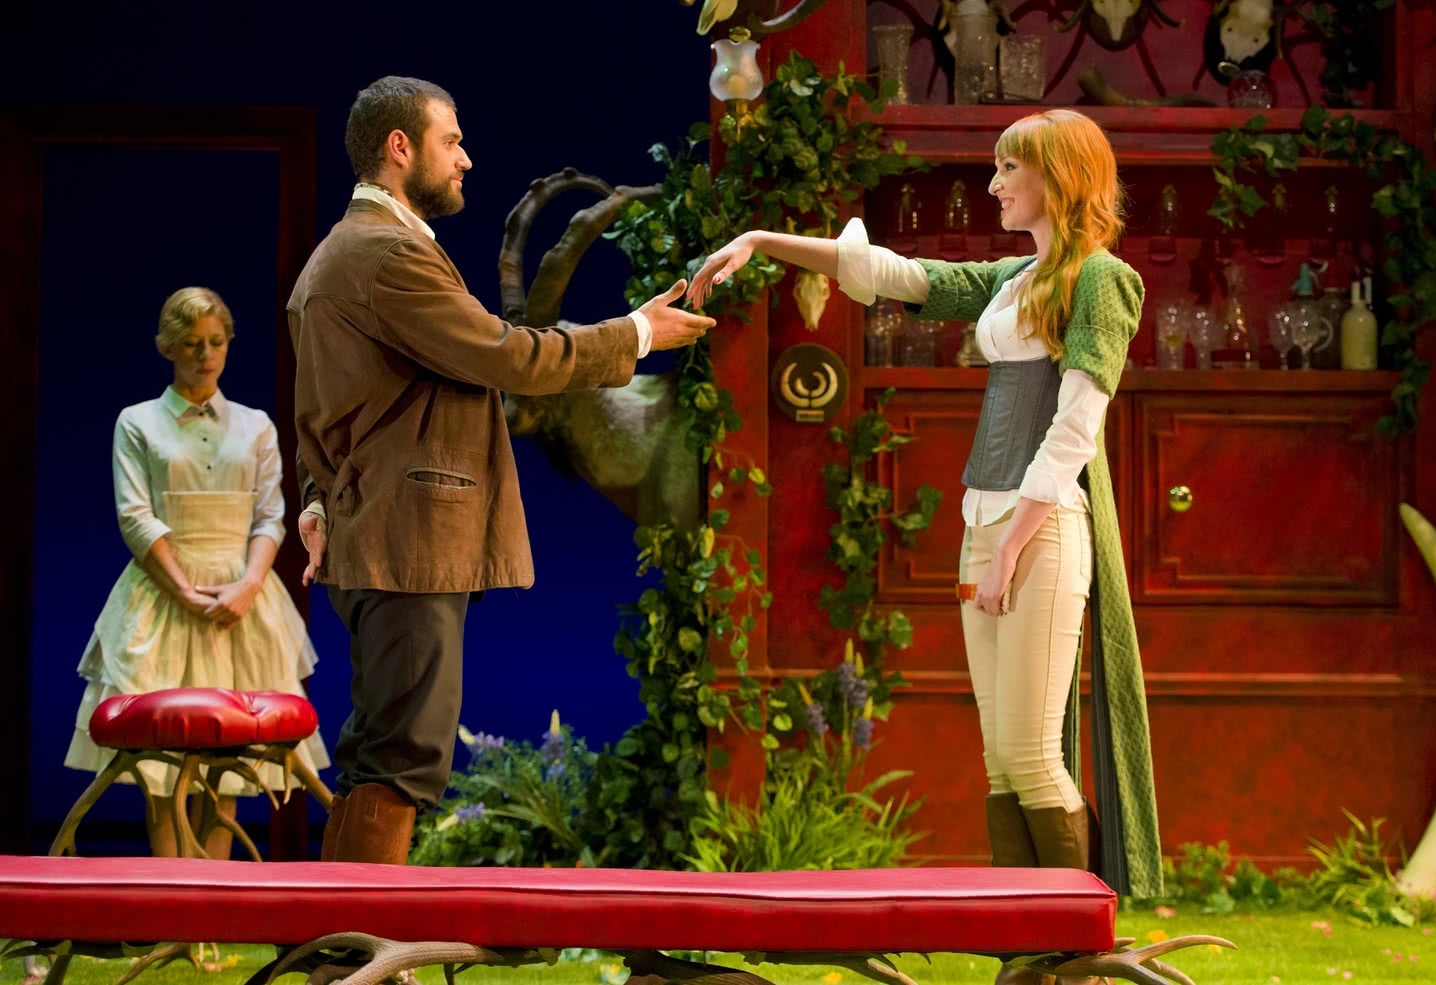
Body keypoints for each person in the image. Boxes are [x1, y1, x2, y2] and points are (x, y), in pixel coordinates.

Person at [688, 109, 1162, 899]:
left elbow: (1076, 427)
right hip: (985, 521)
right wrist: (763, 241)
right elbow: (899, 275)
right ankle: (1023, 940)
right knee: (1001, 757)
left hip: (1042, 528)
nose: (994, 183)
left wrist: (1012, 547)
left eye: (1010, 168)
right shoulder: (1014, 279)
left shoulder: (1101, 280)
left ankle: (1073, 933)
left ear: (1059, 177)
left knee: (1034, 753)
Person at [288, 76, 716, 865]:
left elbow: (327, 409)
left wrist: (317, 501)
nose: (467, 159)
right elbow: (505, 355)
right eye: (451, 141)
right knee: (403, 753)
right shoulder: (386, 255)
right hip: (407, 541)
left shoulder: (347, 253)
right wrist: (636, 333)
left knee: (385, 745)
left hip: (385, 535)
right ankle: (356, 933)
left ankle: (346, 929)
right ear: (399, 148)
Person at [66, 286, 330, 859]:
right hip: (163, 592)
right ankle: (171, 890)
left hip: (242, 596)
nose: (205, 354)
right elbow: (135, 514)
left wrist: (248, 586)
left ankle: (217, 892)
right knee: (161, 762)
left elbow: (270, 515)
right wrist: (184, 590)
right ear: (167, 347)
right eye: (191, 343)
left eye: (215, 342)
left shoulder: (255, 425)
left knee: (229, 758)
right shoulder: (138, 422)